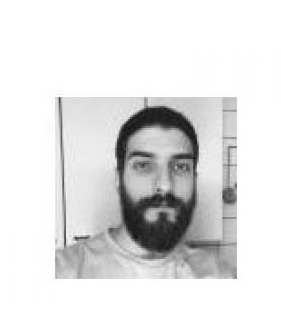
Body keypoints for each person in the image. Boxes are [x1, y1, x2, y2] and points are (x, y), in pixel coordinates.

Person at [56, 106, 234, 278]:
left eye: (180, 167)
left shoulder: (220, 275)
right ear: (119, 178)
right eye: (143, 165)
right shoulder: (64, 271)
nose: (165, 185)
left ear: (194, 178)